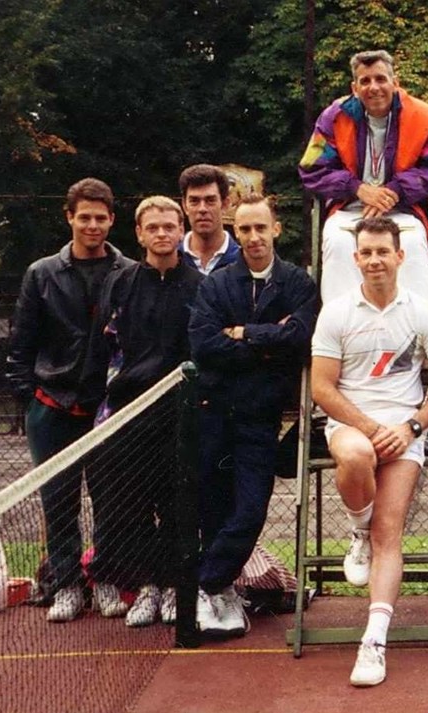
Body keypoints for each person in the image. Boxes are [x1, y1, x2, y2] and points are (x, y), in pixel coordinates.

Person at [310, 216, 428, 687]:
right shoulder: (336, 312)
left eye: (383, 251)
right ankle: (358, 528)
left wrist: (412, 425)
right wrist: (372, 426)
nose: (375, 259)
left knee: (389, 533)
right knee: (357, 457)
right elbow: (320, 387)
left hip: (404, 434)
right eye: (366, 252)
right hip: (354, 429)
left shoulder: (421, 312)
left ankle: (374, 641)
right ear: (356, 259)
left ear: (400, 257)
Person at [188, 194, 318, 638]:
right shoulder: (217, 285)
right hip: (214, 413)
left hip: (261, 419)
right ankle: (220, 592)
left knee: (250, 509)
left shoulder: (299, 283)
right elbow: (205, 345)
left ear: (276, 229)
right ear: (235, 231)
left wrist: (244, 334)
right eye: (244, 229)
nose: (254, 237)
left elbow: (300, 339)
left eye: (261, 227)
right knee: (212, 509)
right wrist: (269, 341)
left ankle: (204, 584)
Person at [6, 178, 133, 622]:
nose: (93, 225)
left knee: (110, 501)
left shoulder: (128, 272)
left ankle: (106, 581)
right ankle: (66, 586)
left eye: (101, 217)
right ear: (69, 218)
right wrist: (33, 401)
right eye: (85, 217)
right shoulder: (41, 273)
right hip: (52, 409)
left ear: (112, 220)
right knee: (57, 503)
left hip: (107, 411)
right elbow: (20, 345)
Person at [89, 196, 203, 627]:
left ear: (180, 230)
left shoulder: (198, 285)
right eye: (151, 227)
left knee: (176, 504)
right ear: (138, 233)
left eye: (168, 226)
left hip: (179, 415)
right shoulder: (120, 283)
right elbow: (105, 347)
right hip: (128, 414)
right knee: (131, 506)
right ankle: (147, 588)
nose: (160, 234)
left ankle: (175, 587)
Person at [299, 49, 428, 304]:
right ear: (354, 87)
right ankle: (342, 331)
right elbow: (311, 168)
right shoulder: (334, 116)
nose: (374, 87)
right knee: (338, 244)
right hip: (349, 207)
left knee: (412, 244)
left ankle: (414, 333)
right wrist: (357, 188)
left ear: (395, 82)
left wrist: (396, 190)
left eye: (381, 79)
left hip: (404, 209)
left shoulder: (426, 117)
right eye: (365, 81)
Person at [178, 164, 241, 275]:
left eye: (210, 200)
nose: (202, 209)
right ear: (184, 206)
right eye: (194, 201)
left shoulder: (244, 261)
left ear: (225, 204)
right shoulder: (172, 260)